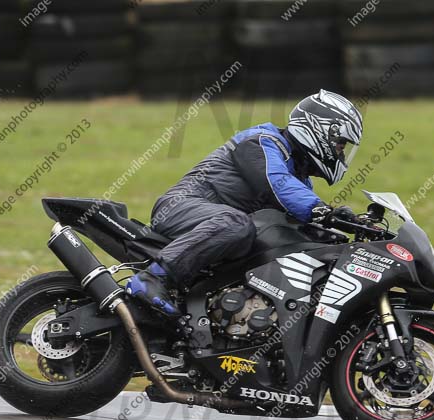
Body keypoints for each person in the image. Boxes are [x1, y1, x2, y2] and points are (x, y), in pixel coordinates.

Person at [126, 89, 364, 317]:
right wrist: (322, 211)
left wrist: (343, 231)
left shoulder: (298, 178)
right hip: (180, 207)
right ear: (319, 130)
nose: (340, 153)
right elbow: (277, 183)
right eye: (340, 144)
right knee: (235, 223)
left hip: (214, 226)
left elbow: (298, 224)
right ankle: (152, 279)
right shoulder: (262, 141)